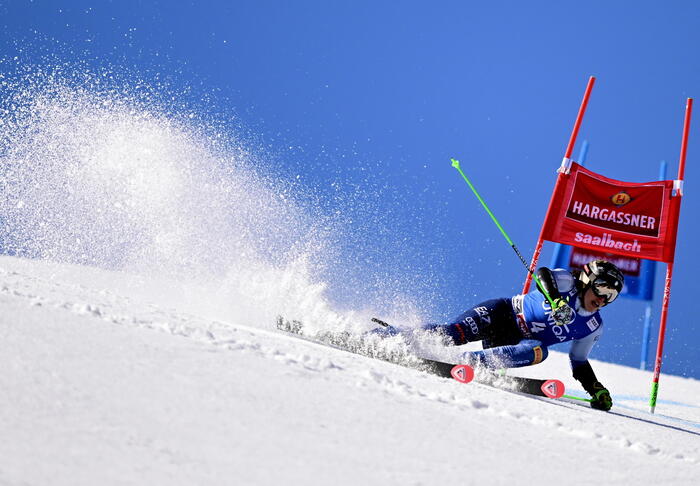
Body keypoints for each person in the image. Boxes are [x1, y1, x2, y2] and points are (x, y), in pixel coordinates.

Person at [376, 259, 624, 411]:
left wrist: (596, 389)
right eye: (602, 288)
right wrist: (557, 301)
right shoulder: (568, 282)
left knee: (540, 351)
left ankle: (468, 362)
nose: (603, 299)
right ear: (587, 280)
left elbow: (579, 362)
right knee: (453, 334)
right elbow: (543, 275)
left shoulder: (593, 326)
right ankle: (386, 335)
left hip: (512, 342)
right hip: (503, 313)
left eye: (611, 296)